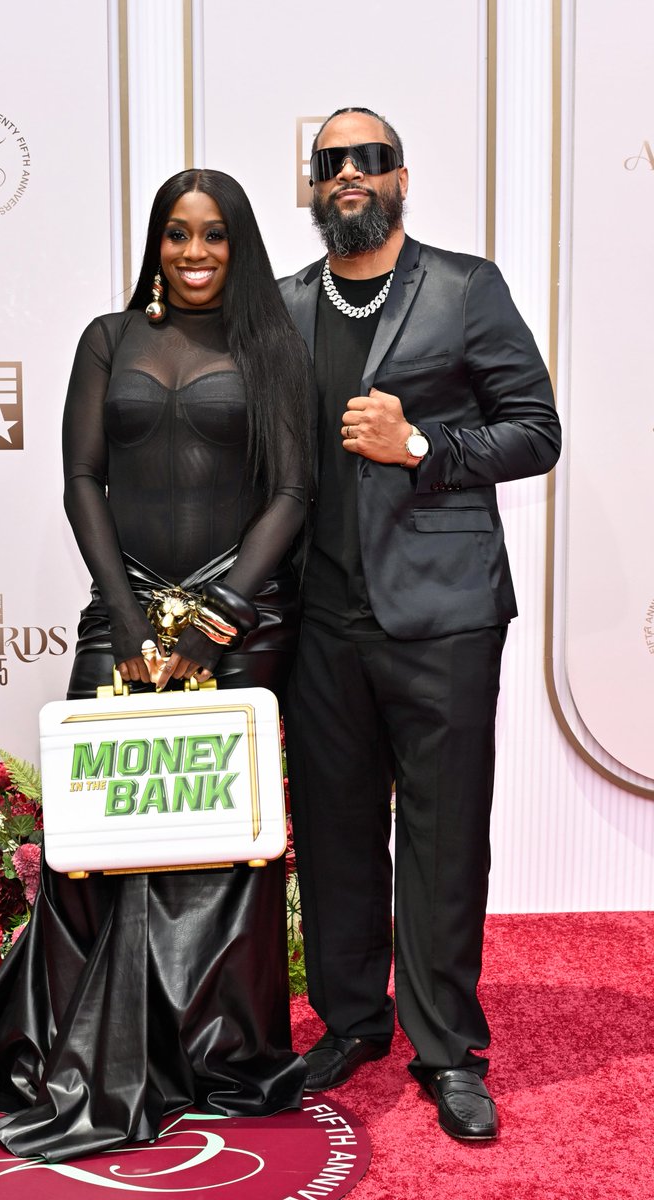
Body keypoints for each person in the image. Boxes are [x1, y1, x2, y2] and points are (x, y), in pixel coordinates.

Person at [0, 168, 312, 1161]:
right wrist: (128, 616)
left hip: (237, 624)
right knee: (102, 835)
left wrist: (214, 620)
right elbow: (81, 477)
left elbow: (291, 491)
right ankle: (88, 1046)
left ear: (239, 245)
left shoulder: (272, 343)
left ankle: (217, 1052)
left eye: (215, 235)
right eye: (177, 234)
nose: (194, 252)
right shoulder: (108, 338)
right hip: (124, 611)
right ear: (155, 241)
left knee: (222, 844)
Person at [279, 107, 561, 1141]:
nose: (348, 174)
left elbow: (535, 431)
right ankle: (352, 1022)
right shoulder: (283, 305)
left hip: (441, 618)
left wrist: (418, 446)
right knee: (335, 834)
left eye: (368, 159)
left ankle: (447, 1047)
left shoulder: (463, 286)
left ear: (399, 177)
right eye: (329, 163)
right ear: (311, 187)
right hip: (318, 623)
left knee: (442, 841)